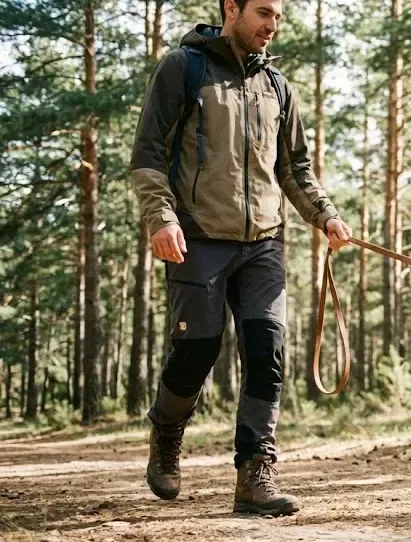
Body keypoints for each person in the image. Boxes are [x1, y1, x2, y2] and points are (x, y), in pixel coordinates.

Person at [129, 0, 352, 516]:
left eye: (278, 18)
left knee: (266, 355)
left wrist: (326, 216)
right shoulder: (184, 67)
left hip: (265, 245)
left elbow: (294, 167)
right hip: (197, 237)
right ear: (231, 7)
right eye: (264, 13)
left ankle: (255, 475)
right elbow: (148, 155)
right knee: (196, 353)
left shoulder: (277, 86)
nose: (272, 27)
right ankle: (165, 431)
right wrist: (161, 219)